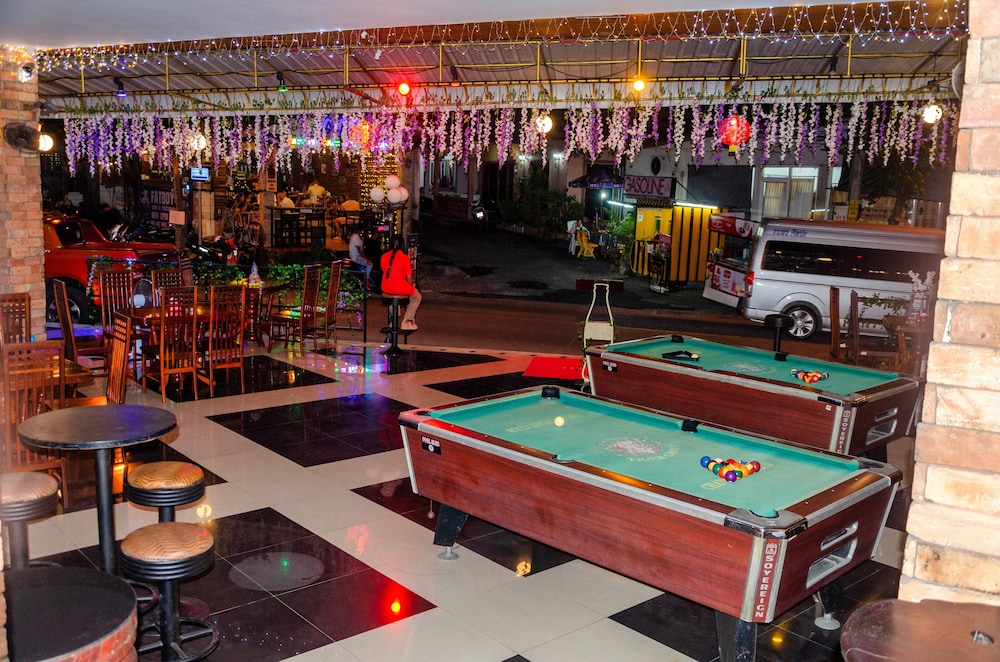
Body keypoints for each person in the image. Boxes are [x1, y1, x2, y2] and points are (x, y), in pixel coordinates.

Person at [380, 234, 421, 331]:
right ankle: (407, 321)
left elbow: (384, 270)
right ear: (402, 245)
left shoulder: (384, 256)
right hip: (399, 287)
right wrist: (411, 286)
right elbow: (409, 277)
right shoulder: (404, 257)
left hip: (386, 286)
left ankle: (393, 319)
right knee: (417, 297)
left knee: (393, 296)